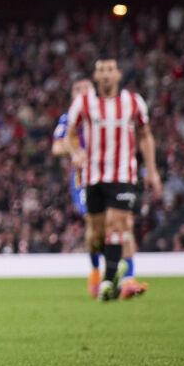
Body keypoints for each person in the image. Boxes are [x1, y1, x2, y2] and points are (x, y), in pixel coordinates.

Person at [64, 58, 159, 301]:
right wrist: (76, 153)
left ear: (118, 75)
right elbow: (69, 135)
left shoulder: (133, 102)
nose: (106, 75)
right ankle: (107, 273)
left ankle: (110, 280)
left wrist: (152, 170)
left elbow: (146, 136)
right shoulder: (83, 103)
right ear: (95, 77)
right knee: (96, 234)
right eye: (101, 71)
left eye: (110, 70)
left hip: (123, 175)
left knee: (118, 224)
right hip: (93, 176)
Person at [50, 76, 104, 296]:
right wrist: (74, 150)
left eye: (87, 89)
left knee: (114, 222)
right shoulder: (68, 119)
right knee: (92, 220)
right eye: (77, 90)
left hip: (109, 172)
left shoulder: (105, 115)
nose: (82, 93)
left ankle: (119, 273)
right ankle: (95, 271)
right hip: (84, 176)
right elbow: (56, 148)